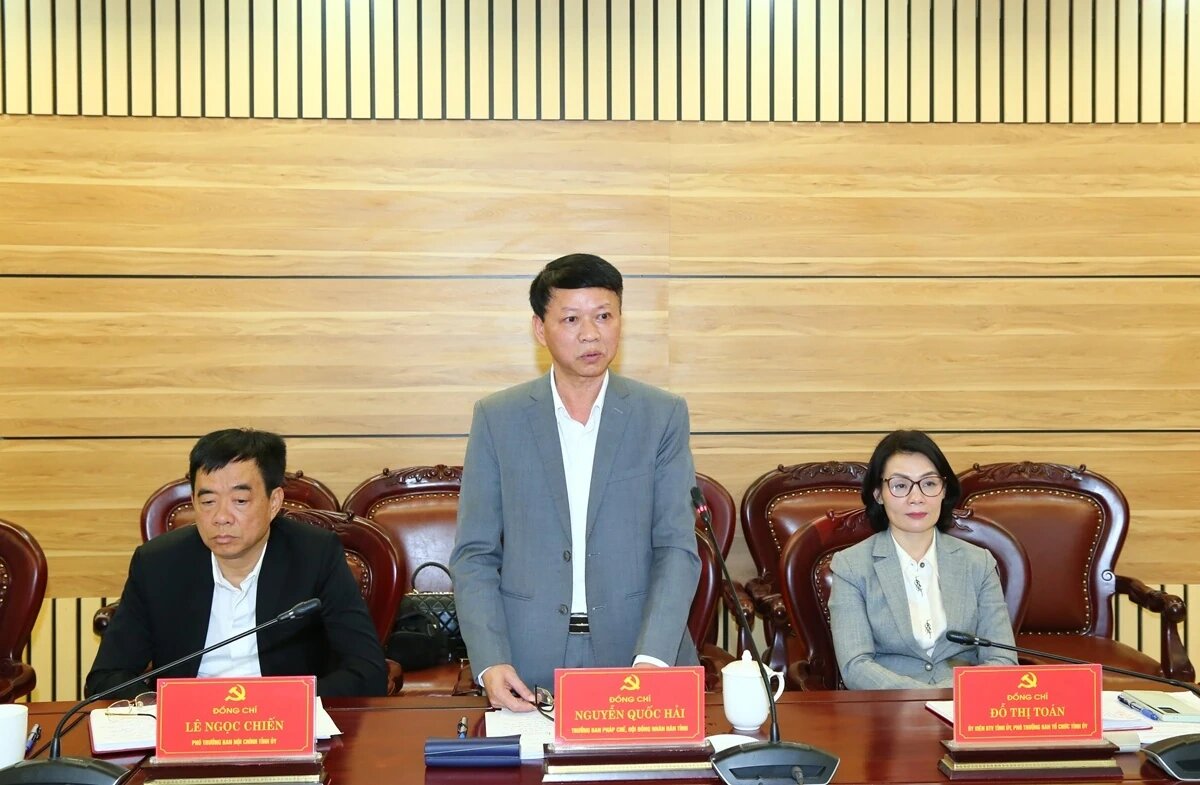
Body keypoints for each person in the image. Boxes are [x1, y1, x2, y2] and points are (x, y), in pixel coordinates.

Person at [449, 253, 701, 711]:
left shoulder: (661, 415)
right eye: (571, 319)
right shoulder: (497, 418)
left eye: (604, 316)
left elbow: (676, 548)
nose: (591, 333)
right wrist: (490, 660)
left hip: (641, 652)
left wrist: (652, 658)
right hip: (527, 661)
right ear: (540, 329)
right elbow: (474, 554)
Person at [86, 428, 387, 698]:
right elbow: (106, 678)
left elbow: (367, 671)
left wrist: (287, 704)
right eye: (208, 502)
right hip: (187, 724)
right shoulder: (158, 564)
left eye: (240, 501)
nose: (221, 517)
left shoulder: (315, 555)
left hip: (282, 723)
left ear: (274, 502)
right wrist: (162, 707)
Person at [828, 430, 1017, 690]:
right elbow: (855, 666)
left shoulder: (978, 563)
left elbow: (1002, 659)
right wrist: (924, 697)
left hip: (965, 703)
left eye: (928, 484)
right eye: (900, 485)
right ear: (878, 494)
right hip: (889, 707)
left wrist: (954, 696)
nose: (916, 498)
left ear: (944, 490)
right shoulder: (852, 566)